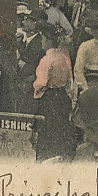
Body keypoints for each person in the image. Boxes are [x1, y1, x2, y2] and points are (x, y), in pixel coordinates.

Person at [31, 24, 76, 161]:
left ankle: (48, 154)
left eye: (43, 39)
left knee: (48, 127)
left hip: (49, 97)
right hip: (62, 96)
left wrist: (35, 92)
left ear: (48, 39)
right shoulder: (64, 56)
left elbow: (41, 83)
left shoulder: (47, 60)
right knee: (60, 125)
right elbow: (69, 79)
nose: (42, 42)